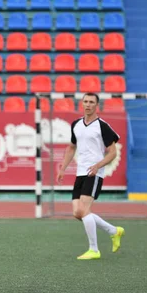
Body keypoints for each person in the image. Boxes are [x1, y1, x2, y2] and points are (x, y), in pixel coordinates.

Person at [57, 93, 124, 260]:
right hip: (80, 172)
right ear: (82, 103)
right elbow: (71, 147)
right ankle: (113, 231)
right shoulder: (76, 124)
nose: (88, 105)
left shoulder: (102, 126)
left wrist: (98, 166)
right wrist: (63, 167)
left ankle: (94, 249)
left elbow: (113, 153)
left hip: (94, 173)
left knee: (84, 210)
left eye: (91, 102)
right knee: (77, 213)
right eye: (85, 101)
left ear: (97, 105)